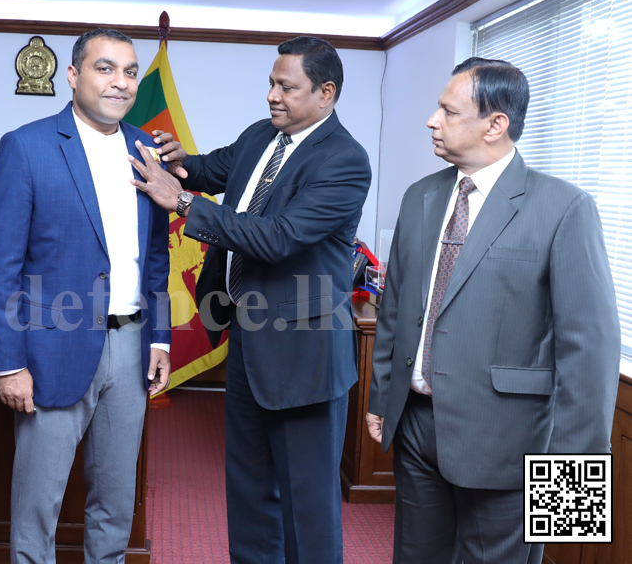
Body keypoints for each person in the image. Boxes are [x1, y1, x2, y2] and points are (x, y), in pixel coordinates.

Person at [365, 58, 620, 564]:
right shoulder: (420, 198)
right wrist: (381, 395)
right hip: (417, 427)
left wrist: (571, 488)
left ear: (495, 124)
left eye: (448, 110)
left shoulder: (565, 207)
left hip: (513, 442)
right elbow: (396, 308)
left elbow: (589, 347)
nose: (431, 120)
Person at [130, 35, 371, 564]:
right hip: (246, 338)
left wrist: (184, 202)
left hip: (304, 355)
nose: (271, 96)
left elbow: (277, 236)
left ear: (326, 93)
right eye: (270, 82)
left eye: (287, 87)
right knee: (248, 490)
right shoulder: (262, 135)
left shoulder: (345, 160)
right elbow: (210, 168)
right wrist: (176, 163)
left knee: (306, 506)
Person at [0, 28, 172, 564]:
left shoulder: (145, 148)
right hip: (49, 351)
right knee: (38, 506)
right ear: (72, 75)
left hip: (130, 351)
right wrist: (8, 363)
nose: (121, 82)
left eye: (129, 72)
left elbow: (155, 255)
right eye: (105, 68)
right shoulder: (27, 146)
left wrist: (160, 339)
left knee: (114, 502)